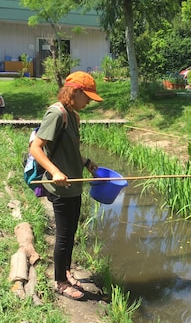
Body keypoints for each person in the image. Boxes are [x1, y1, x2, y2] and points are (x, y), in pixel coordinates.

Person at [29, 71, 103, 301]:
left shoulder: (73, 116)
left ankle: (66, 271)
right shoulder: (56, 113)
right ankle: (60, 282)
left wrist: (86, 162)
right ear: (75, 92)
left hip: (74, 186)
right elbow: (36, 148)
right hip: (60, 187)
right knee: (63, 236)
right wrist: (55, 171)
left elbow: (69, 150)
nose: (89, 101)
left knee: (71, 232)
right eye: (87, 96)